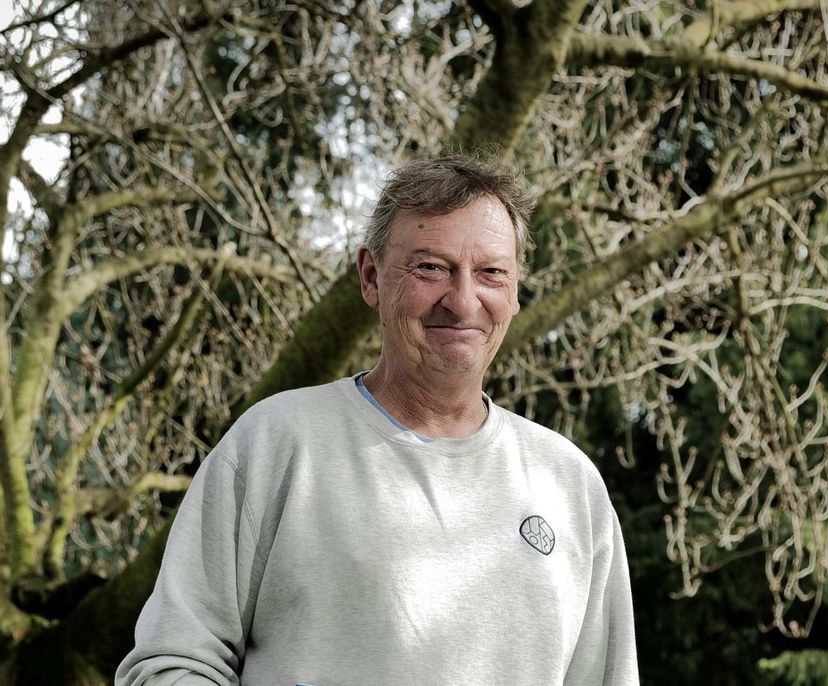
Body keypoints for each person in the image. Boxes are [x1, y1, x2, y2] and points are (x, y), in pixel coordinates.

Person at [116, 156, 640, 685]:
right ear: (371, 277)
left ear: (515, 290)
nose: (463, 301)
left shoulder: (569, 485)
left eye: (491, 273)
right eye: (431, 267)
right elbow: (172, 663)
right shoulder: (276, 444)